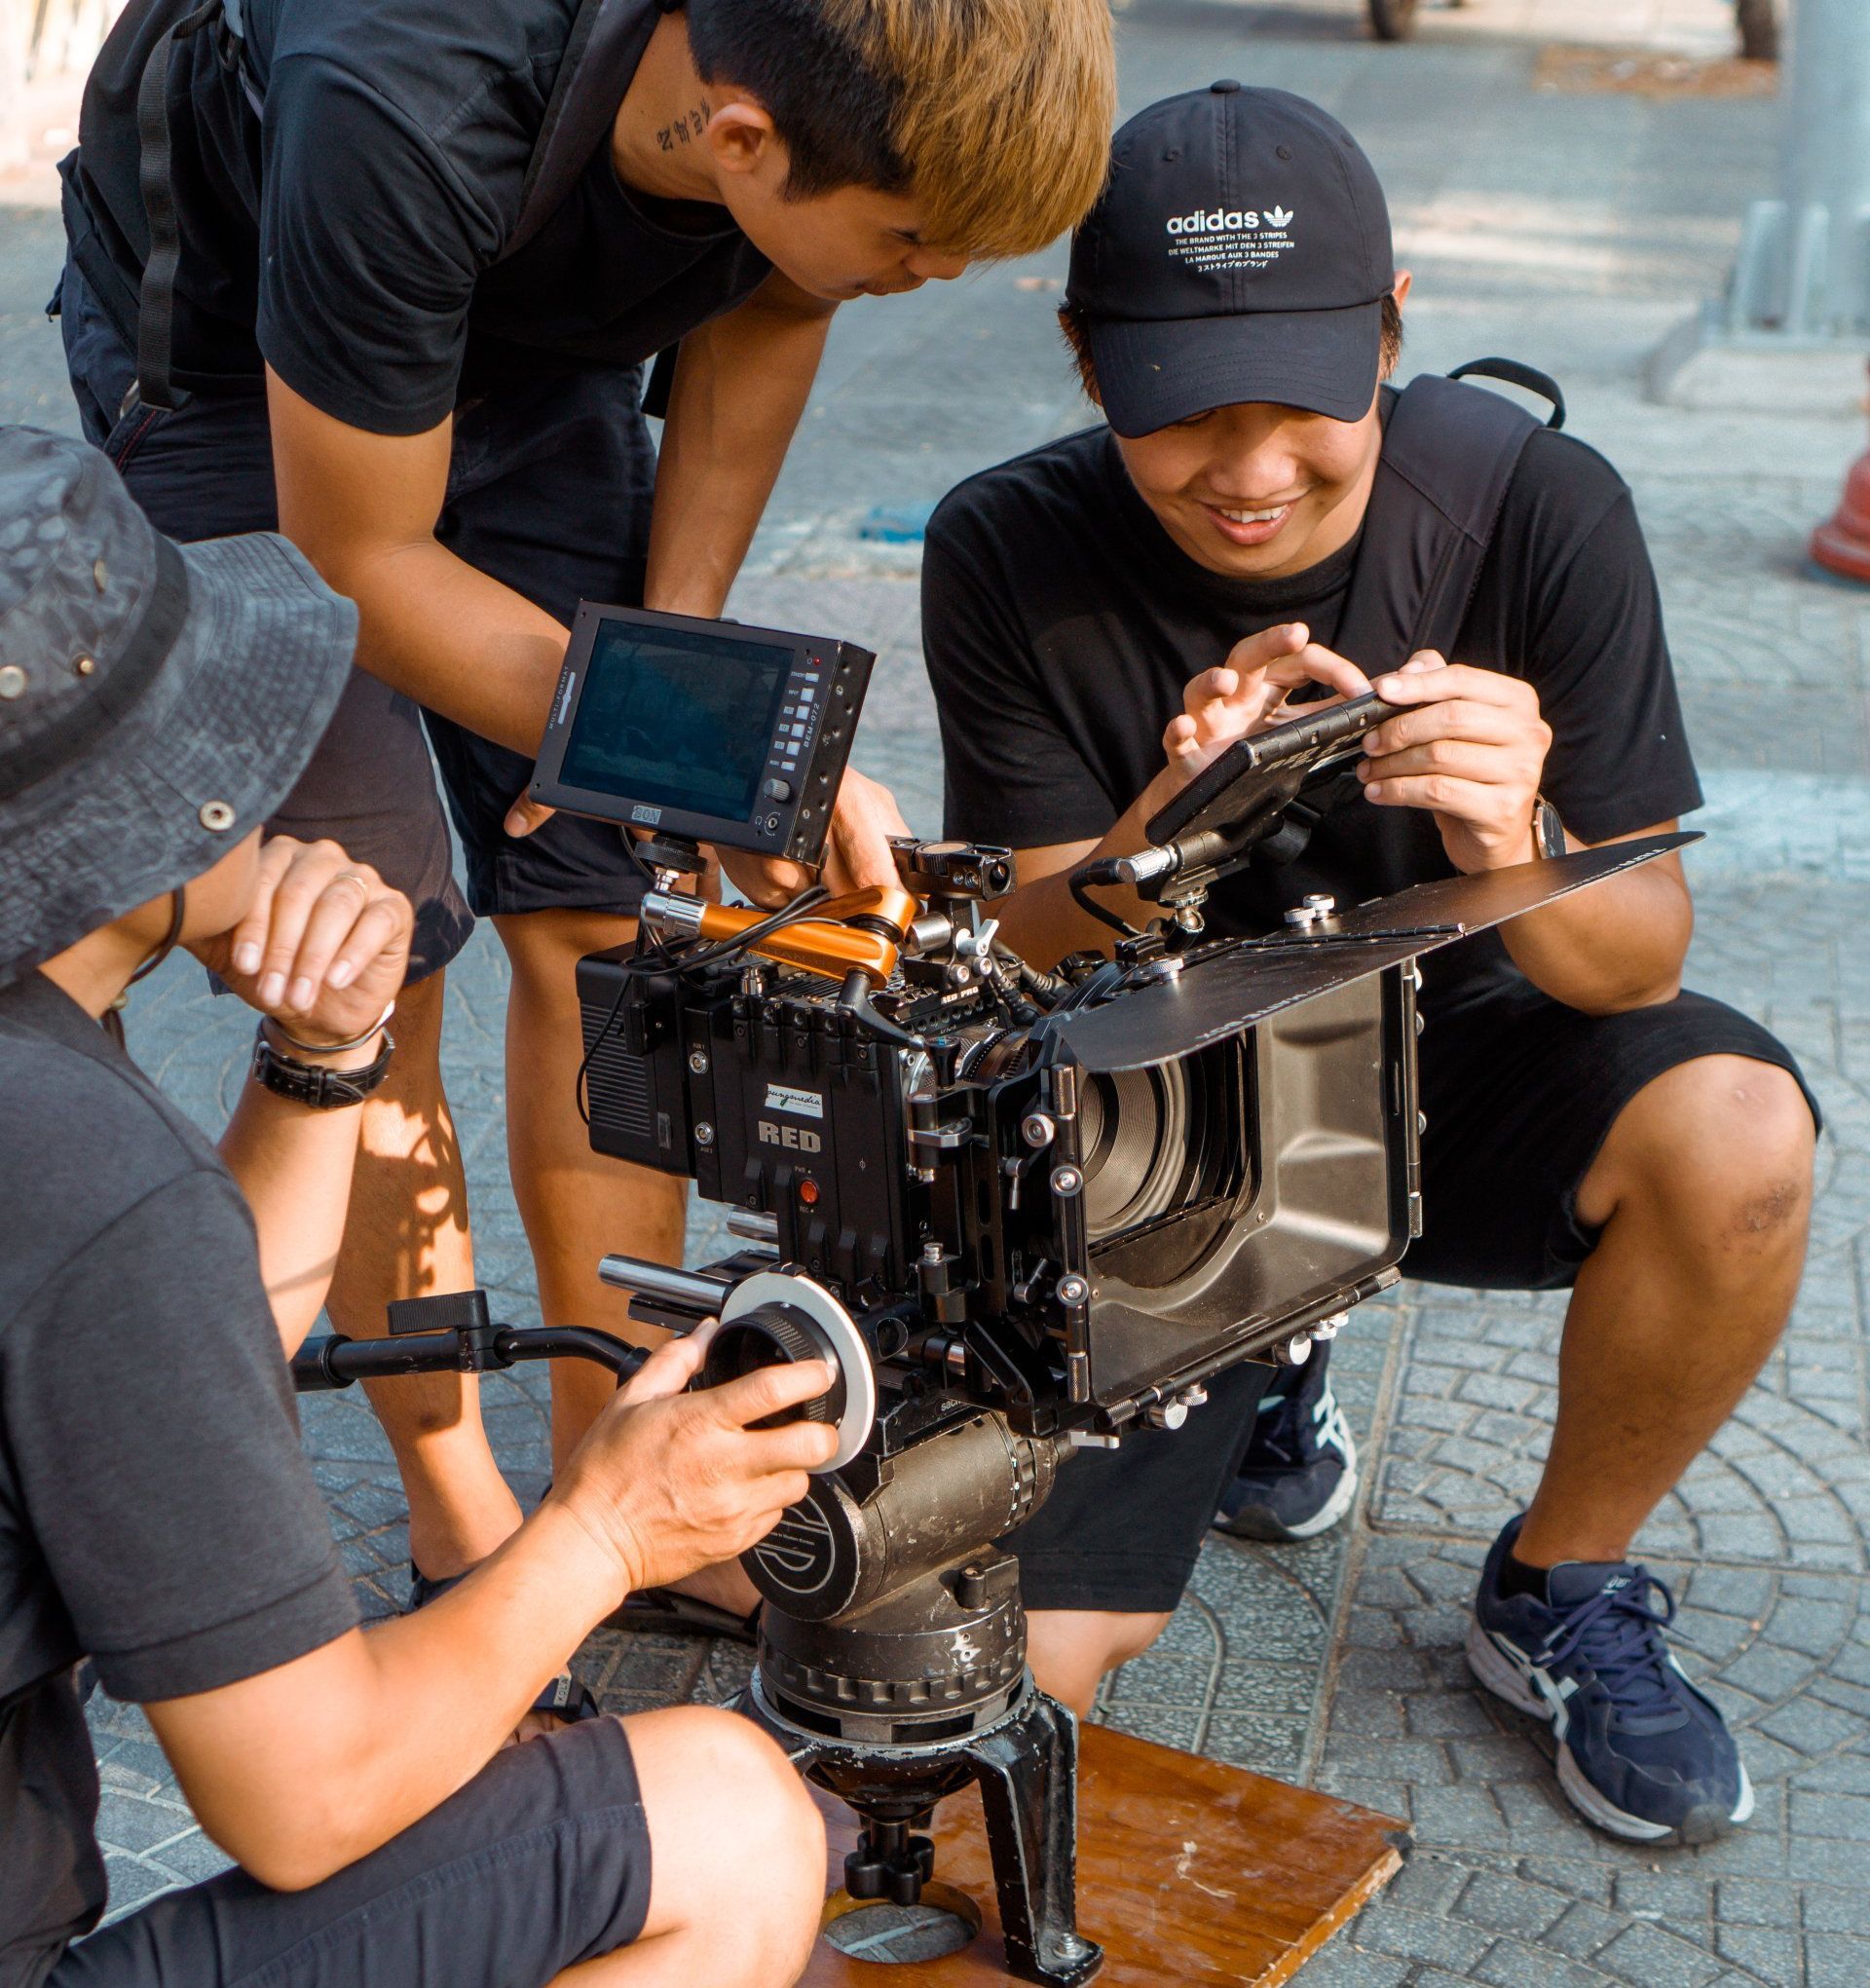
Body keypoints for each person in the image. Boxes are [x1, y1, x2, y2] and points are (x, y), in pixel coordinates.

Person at [54, 0, 1115, 1619]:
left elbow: (773, 302)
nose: (939, 278)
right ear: (744, 136)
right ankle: (459, 1509)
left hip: (530, 359)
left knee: (626, 909)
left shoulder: (790, 108)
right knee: (360, 951)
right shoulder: (405, 88)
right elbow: (364, 557)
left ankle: (625, 1456)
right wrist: (719, 750)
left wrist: (664, 723)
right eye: (918, 242)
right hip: (236, 382)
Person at [919, 85, 1819, 1848]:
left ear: (1394, 329)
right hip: (1183, 1109)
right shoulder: (1006, 547)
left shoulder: (1537, 503)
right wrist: (1158, 835)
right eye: (1186, 412)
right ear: (1088, 364)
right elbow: (1019, 953)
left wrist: (1517, 836)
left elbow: (1640, 962)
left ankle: (1559, 1580)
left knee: (1741, 1133)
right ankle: (1274, 1343)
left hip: (1480, 1047)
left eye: (1304, 405)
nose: (1250, 472)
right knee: (1041, 1658)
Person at [0, 427, 837, 1987]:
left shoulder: (58, 1136)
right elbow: (303, 1800)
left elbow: (156, 1379)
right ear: (154, 818)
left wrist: (325, 1064)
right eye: (234, 730)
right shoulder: (91, 1173)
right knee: (733, 1816)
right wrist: (609, 1522)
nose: (284, 760)